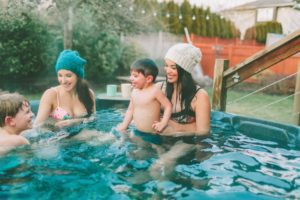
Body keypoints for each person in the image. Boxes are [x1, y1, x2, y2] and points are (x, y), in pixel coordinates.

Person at [158, 43, 211, 136]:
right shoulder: (159, 89)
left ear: (185, 70)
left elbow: (203, 131)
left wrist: (175, 127)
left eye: (173, 67)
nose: (167, 71)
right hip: (160, 140)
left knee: (175, 151)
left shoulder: (199, 96)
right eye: (166, 65)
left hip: (186, 142)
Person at [34, 50, 96, 128]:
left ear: (78, 76)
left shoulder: (88, 93)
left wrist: (75, 122)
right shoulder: (51, 95)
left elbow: (93, 120)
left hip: (83, 135)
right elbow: (36, 126)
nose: (63, 81)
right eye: (60, 75)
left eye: (68, 76)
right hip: (58, 137)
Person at [117, 58, 172, 133]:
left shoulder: (155, 91)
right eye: (131, 75)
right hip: (138, 131)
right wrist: (124, 125)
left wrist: (163, 123)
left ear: (148, 79)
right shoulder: (134, 91)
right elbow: (130, 110)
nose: (131, 78)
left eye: (135, 76)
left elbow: (168, 106)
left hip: (153, 133)